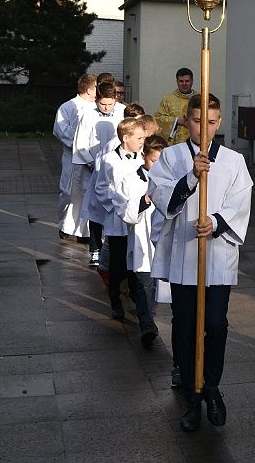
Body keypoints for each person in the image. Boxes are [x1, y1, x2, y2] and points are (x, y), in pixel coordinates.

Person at [149, 93, 253, 432]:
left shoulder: (234, 160)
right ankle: (192, 398)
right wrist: (191, 178)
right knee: (185, 325)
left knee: (216, 324)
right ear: (187, 120)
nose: (203, 128)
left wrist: (218, 222)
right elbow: (162, 198)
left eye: (210, 122)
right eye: (196, 121)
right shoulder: (171, 156)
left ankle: (211, 385)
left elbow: (241, 202)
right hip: (184, 253)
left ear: (218, 122)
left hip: (218, 254)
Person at [117, 133, 168, 349]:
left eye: (161, 162)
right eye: (153, 161)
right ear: (143, 155)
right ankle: (147, 326)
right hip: (142, 243)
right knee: (144, 286)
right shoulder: (131, 180)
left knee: (158, 289)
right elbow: (123, 210)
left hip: (164, 244)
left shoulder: (171, 179)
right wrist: (142, 202)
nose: (157, 167)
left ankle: (150, 320)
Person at [94, 118, 147, 320]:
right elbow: (101, 188)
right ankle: (115, 301)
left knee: (136, 263)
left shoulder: (143, 158)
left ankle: (135, 296)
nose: (142, 141)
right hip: (117, 221)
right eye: (139, 138)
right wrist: (119, 203)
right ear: (125, 138)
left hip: (139, 219)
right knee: (117, 264)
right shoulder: (109, 160)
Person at [66, 81, 124, 259]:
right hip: (93, 168)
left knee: (116, 207)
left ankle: (112, 248)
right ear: (96, 100)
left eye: (110, 104)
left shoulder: (122, 112)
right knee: (95, 210)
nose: (106, 108)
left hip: (117, 169)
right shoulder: (88, 115)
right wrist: (93, 164)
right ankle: (95, 249)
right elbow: (81, 143)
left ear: (115, 100)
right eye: (102, 104)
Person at [54, 73, 96, 238]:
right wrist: (80, 143)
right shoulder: (68, 107)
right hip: (73, 156)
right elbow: (60, 131)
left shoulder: (98, 107)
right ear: (88, 89)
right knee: (68, 192)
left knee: (88, 193)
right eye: (96, 87)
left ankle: (85, 232)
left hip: (92, 156)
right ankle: (65, 225)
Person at [154, 67, 195, 146]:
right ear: (177, 82)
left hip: (195, 141)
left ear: (192, 81)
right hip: (174, 144)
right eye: (181, 81)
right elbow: (158, 118)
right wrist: (176, 121)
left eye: (187, 81)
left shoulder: (199, 99)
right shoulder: (168, 99)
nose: (184, 84)